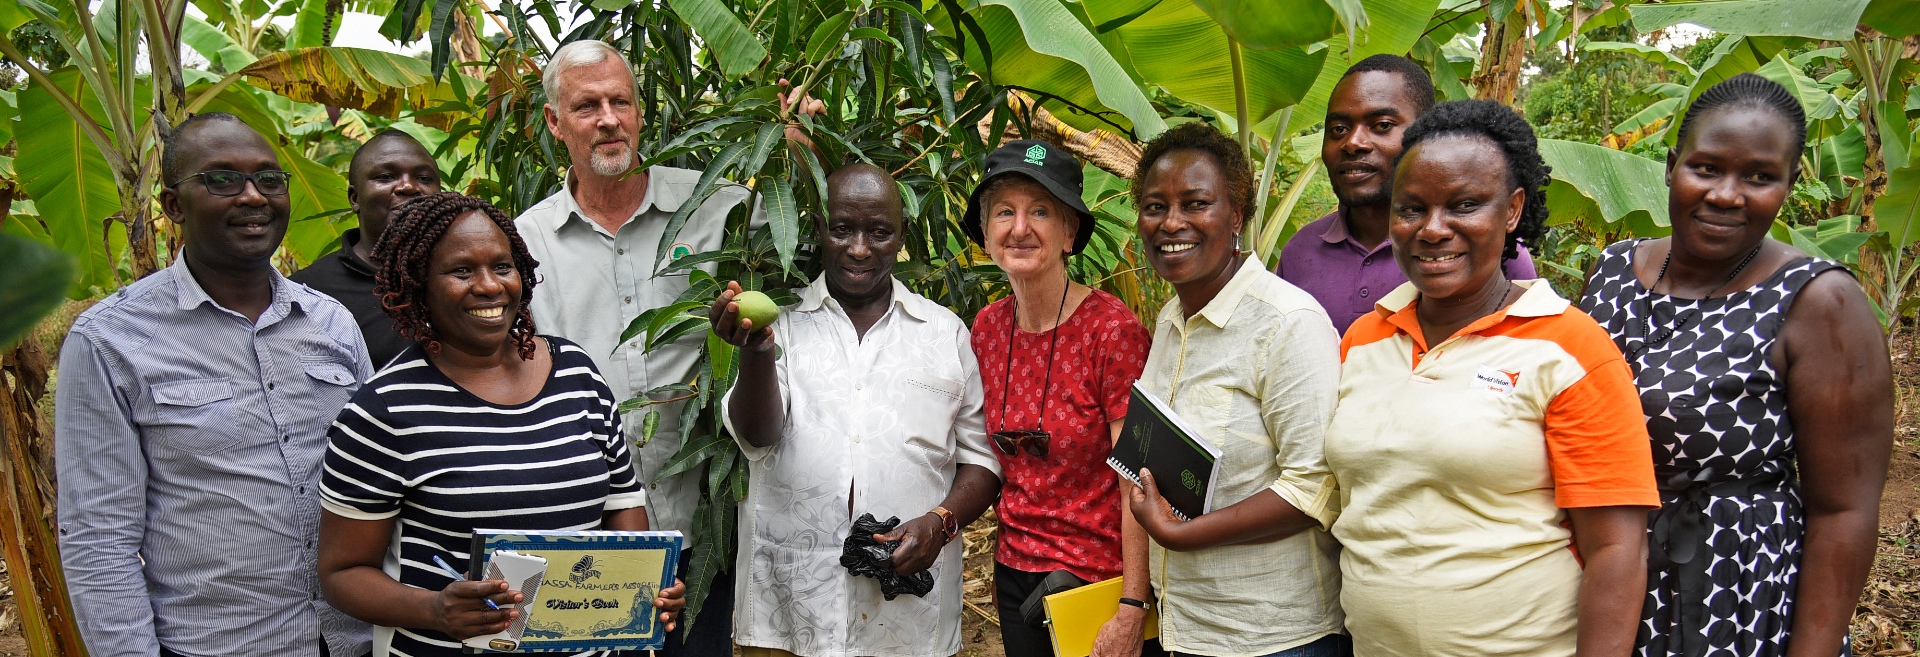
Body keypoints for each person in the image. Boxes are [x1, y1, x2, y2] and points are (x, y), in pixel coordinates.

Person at [1324, 100, 1659, 656]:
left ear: (1511, 210)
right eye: (1411, 209)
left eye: (1464, 205)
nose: (1432, 230)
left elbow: (1617, 550)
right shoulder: (1365, 338)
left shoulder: (1570, 348)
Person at [1576, 73, 1893, 657]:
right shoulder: (1613, 271)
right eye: (1706, 168)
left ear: (1789, 184)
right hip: (1603, 576)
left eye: (1759, 177)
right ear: (1671, 166)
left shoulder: (1818, 302)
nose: (1726, 194)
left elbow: (1845, 510)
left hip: (1735, 593)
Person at [54, 112, 374, 657]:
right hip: (220, 644)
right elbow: (98, 538)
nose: (253, 197)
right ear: (173, 205)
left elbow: (381, 475)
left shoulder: (331, 322)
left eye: (269, 180)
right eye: (222, 180)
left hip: (354, 636)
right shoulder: (111, 339)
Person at [317, 192, 686, 656]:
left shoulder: (576, 374)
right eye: (461, 271)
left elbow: (621, 504)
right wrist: (433, 609)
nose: (489, 286)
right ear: (419, 286)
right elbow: (342, 574)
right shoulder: (386, 409)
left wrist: (648, 581)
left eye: (502, 266)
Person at [511, 40, 768, 653]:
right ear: (554, 122)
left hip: (710, 528)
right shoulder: (524, 243)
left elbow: (818, 263)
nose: (608, 119)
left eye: (620, 101)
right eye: (586, 106)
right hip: (588, 544)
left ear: (640, 112)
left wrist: (802, 151)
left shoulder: (720, 208)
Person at [710, 163, 1002, 657]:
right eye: (843, 227)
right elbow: (758, 436)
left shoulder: (944, 334)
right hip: (791, 612)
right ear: (819, 229)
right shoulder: (785, 323)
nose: (860, 247)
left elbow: (983, 460)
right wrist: (758, 352)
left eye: (879, 231)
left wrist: (939, 523)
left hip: (905, 625)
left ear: (902, 235)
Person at [1104, 121, 1347, 657]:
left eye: (1195, 204)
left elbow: (1314, 488)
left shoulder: (1288, 323)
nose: (1172, 223)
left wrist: (1184, 534)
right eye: (1154, 206)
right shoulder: (1171, 318)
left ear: (1236, 215)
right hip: (1188, 625)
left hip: (1274, 635)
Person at [960, 140, 1153, 657]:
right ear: (985, 232)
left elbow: (1136, 477)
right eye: (1005, 212)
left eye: (1041, 211)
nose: (1019, 228)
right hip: (1014, 570)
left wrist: (1134, 604)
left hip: (1097, 581)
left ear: (1070, 233)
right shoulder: (987, 328)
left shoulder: (1111, 331)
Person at [1275, 54, 1536, 334]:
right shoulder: (1299, 252)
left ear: (1424, 133)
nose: (1353, 143)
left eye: (1382, 126)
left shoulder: (1485, 250)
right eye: (1338, 129)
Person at [292, 129, 443, 366]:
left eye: (424, 178)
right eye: (385, 177)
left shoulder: (466, 276)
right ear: (354, 198)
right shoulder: (308, 293)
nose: (408, 186)